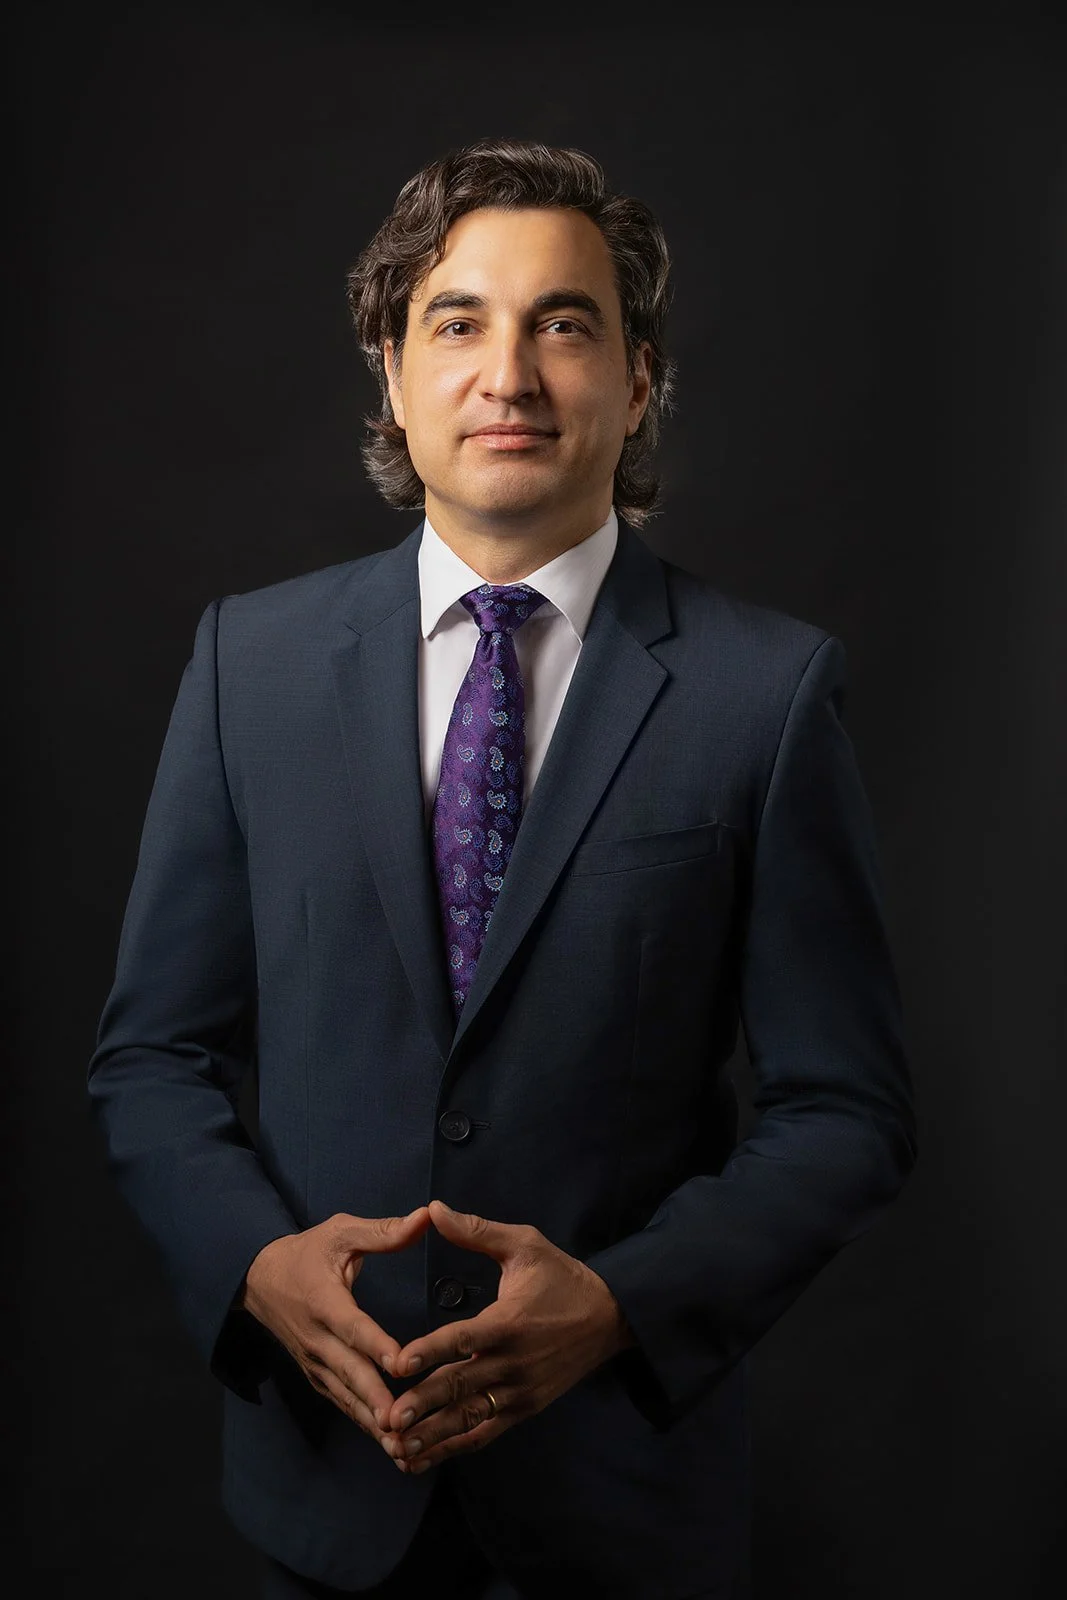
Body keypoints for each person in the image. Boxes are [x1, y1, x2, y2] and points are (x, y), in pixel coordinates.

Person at [87, 137, 918, 1599]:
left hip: (623, 1502)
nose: (509, 373)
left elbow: (843, 1109)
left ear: (639, 378)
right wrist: (253, 1268)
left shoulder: (765, 693)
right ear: (391, 375)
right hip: (321, 1489)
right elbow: (152, 1054)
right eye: (458, 322)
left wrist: (616, 1304)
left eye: (563, 323)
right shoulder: (248, 668)